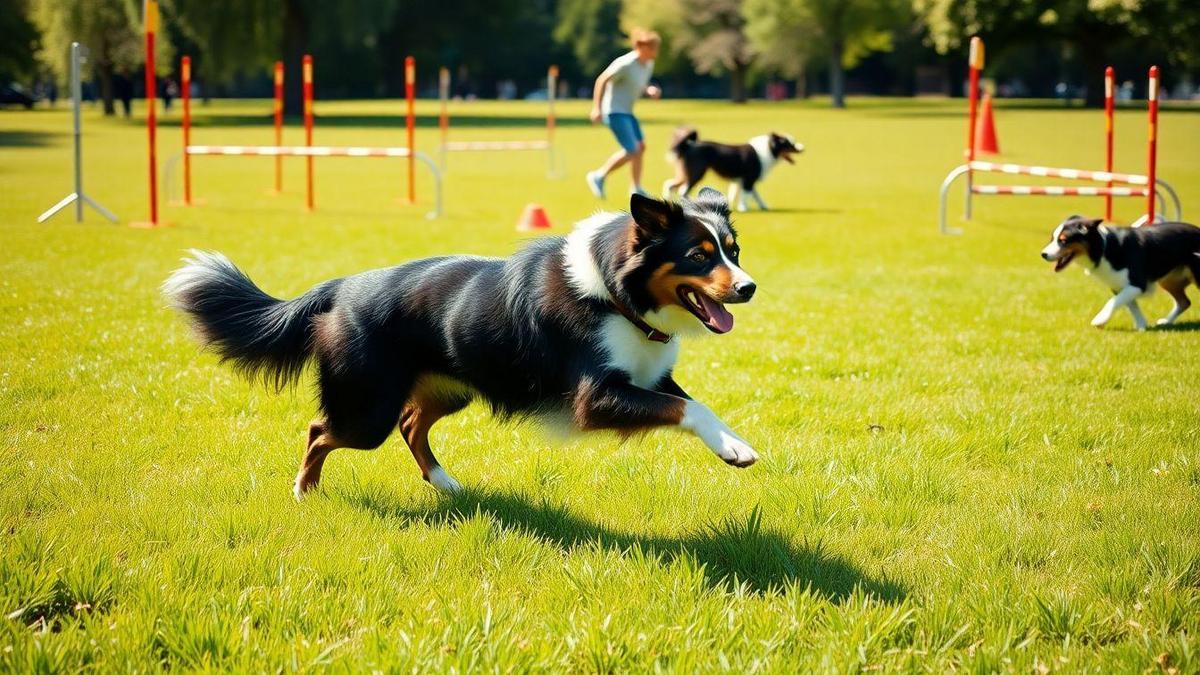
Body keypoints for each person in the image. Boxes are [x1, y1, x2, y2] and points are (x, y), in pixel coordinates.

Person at [585, 29, 662, 199]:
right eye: (653, 48)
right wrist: (596, 108)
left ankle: (636, 188)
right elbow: (602, 80)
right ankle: (598, 176)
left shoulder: (648, 64)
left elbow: (638, 83)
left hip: (627, 111)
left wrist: (649, 90)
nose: (656, 51)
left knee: (640, 148)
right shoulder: (625, 63)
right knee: (632, 149)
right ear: (642, 47)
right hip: (613, 111)